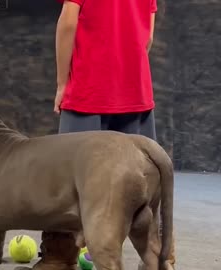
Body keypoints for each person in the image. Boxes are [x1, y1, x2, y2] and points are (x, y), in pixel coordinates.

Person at [54, 0, 176, 267]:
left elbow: (68, 23)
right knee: (142, 187)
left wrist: (63, 83)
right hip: (134, 91)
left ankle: (59, 257)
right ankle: (158, 258)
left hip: (88, 90)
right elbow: (148, 37)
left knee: (65, 182)